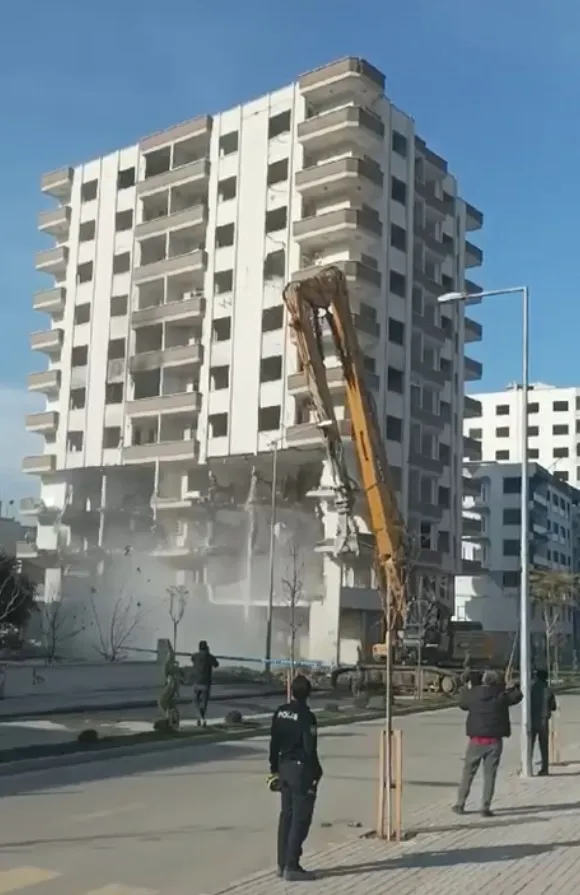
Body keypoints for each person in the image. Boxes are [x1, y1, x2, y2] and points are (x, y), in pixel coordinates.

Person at [267, 674, 322, 882]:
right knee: (301, 818)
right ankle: (292, 865)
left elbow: (273, 743)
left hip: (283, 767)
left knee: (286, 816)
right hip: (300, 770)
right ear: (308, 694)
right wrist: (316, 772)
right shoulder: (307, 717)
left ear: (291, 691)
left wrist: (274, 769)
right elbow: (309, 748)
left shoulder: (280, 712)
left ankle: (281, 864)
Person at [453, 669, 522, 817]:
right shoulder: (501, 696)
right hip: (494, 742)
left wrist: (465, 686)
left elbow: (462, 703)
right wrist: (512, 686)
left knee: (468, 774)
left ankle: (460, 804)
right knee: (490, 776)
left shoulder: (473, 695)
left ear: (483, 680)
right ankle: (485, 807)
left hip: (476, 741)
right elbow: (517, 697)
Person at [531, 668, 557, 776]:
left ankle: (527, 766)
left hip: (531, 720)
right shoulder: (548, 690)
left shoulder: (531, 688)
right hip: (544, 721)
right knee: (544, 746)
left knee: (529, 745)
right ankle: (545, 768)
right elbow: (553, 706)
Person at [190, 640, 219, 726]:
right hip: (206, 683)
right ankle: (201, 717)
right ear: (206, 648)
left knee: (196, 701)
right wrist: (208, 653)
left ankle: (199, 717)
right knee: (204, 702)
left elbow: (192, 659)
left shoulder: (195, 656)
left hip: (196, 682)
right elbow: (216, 664)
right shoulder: (209, 657)